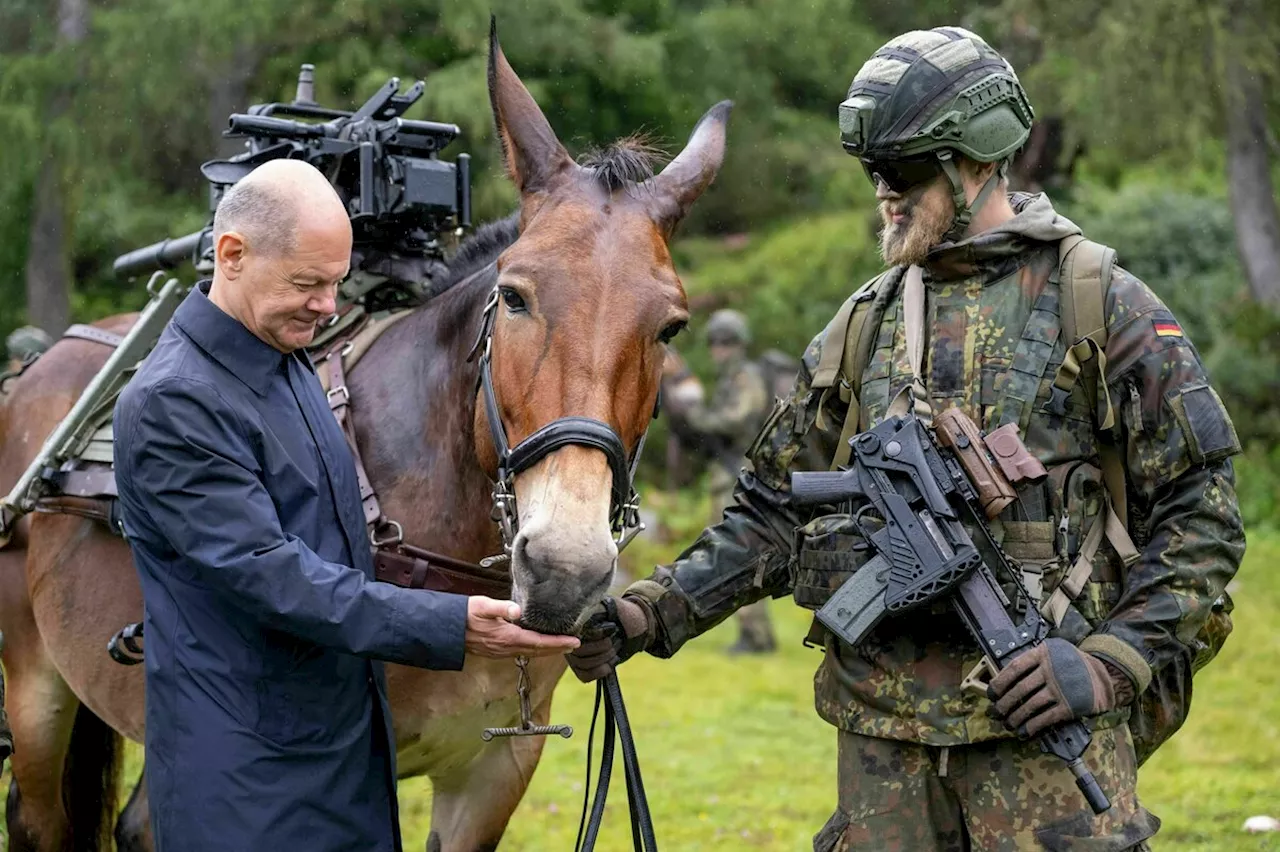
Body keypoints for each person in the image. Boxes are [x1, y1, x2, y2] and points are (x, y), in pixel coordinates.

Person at [567, 26, 1245, 851]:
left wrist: (1109, 661)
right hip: (882, 751)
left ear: (979, 158)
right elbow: (772, 511)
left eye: (907, 169)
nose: (884, 191)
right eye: (873, 171)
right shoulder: (863, 325)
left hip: (1038, 740)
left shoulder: (1101, 304)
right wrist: (652, 612)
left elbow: (1203, 515)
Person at [113, 159, 579, 852]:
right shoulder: (175, 402)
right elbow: (274, 579)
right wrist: (454, 623)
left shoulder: (282, 359)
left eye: (335, 283)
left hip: (335, 762)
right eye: (307, 283)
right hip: (246, 786)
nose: (327, 306)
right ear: (231, 255)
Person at [665, 309, 775, 654]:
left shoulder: (746, 376)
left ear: (737, 345)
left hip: (738, 474)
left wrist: (698, 417)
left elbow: (738, 417)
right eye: (715, 344)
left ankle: (754, 636)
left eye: (724, 343)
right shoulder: (732, 378)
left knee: (736, 553)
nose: (718, 351)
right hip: (729, 473)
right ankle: (755, 634)